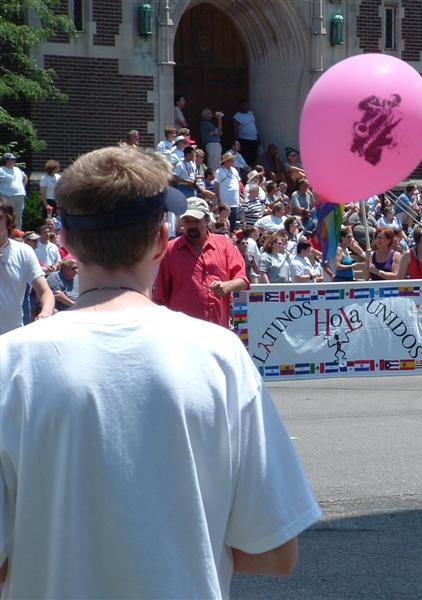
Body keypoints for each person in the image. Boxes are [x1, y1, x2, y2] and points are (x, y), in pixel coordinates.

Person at [0, 145, 320, 598]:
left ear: (65, 241)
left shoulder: (9, 364)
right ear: (159, 241)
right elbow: (275, 550)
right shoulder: (220, 356)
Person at [153, 197, 249, 328]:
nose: (191, 225)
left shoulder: (224, 244)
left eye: (196, 221)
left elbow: (242, 280)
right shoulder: (169, 249)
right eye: (187, 221)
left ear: (207, 220)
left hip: (218, 328)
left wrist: (228, 286)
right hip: (181, 332)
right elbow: (160, 296)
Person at [0, 202, 54, 334]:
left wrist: (45, 313)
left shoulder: (23, 251)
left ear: (8, 219)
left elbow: (45, 292)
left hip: (12, 338)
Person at [0, 153, 27, 228]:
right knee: (8, 215)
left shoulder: (17, 169)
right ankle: (7, 233)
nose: (14, 161)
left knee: (18, 216)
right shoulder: (1, 170)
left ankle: (17, 234)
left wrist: (22, 187)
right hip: (7, 196)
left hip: (20, 195)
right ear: (6, 160)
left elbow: (25, 177)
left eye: (14, 159)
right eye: (12, 159)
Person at [215, 152, 242, 228]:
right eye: (231, 160)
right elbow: (216, 185)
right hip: (225, 200)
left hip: (234, 199)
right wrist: (218, 198)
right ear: (226, 161)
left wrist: (239, 195)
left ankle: (231, 233)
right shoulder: (219, 171)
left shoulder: (235, 170)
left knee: (233, 218)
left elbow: (238, 183)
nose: (233, 162)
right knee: (224, 219)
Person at [233, 99, 259, 167]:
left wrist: (258, 136)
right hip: (244, 140)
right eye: (244, 105)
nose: (247, 106)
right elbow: (236, 129)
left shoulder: (250, 113)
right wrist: (237, 140)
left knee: (253, 158)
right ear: (240, 106)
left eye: (247, 104)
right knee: (245, 158)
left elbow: (253, 125)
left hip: (254, 139)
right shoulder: (238, 116)